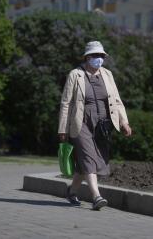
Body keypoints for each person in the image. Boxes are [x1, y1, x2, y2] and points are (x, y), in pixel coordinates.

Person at [58, 41, 132, 210]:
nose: (99, 59)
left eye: (101, 56)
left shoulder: (107, 74)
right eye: (96, 56)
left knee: (86, 163)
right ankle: (96, 197)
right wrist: (62, 129)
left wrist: (124, 122)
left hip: (103, 124)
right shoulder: (75, 75)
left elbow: (117, 101)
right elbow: (66, 104)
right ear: (87, 57)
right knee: (89, 157)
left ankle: (72, 191)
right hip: (81, 122)